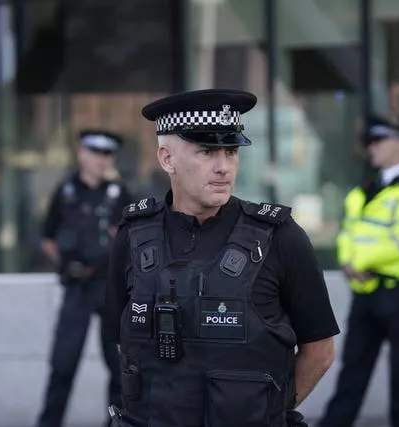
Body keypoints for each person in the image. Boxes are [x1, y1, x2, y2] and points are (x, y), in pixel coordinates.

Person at [103, 89, 340, 427]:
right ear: (167, 159)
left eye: (230, 152)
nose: (224, 167)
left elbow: (320, 351)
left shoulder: (281, 237)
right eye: (207, 152)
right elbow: (125, 344)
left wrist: (266, 411)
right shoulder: (132, 237)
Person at [318, 115, 399, 427]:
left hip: (397, 291)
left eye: (378, 142)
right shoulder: (364, 190)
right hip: (365, 291)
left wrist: (360, 262)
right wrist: (347, 262)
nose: (371, 149)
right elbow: (347, 231)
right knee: (352, 368)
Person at [37, 130, 133, 427]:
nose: (100, 160)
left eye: (106, 155)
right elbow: (47, 238)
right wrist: (69, 265)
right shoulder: (65, 192)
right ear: (81, 154)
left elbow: (131, 239)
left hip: (109, 288)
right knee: (62, 365)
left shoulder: (120, 193)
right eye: (94, 153)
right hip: (77, 288)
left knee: (119, 367)